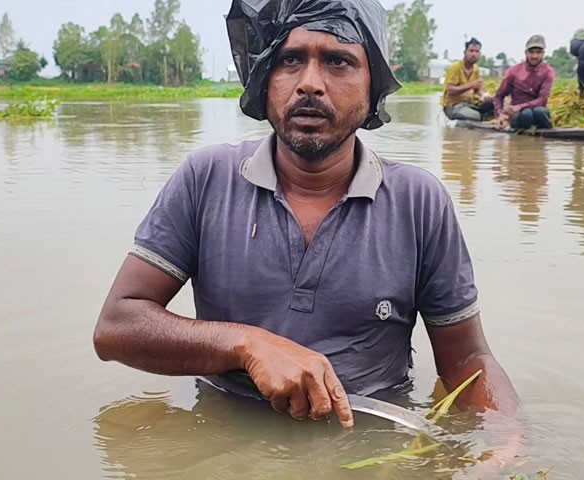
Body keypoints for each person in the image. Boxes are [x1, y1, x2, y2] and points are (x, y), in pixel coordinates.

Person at [94, 0, 518, 431]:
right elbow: (116, 326)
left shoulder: (419, 201)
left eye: (338, 61)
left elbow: (467, 359)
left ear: (373, 85)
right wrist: (245, 345)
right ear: (264, 79)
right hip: (225, 433)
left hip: (370, 438)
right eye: (290, 59)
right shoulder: (205, 179)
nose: (310, 84)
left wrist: (507, 442)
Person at [494, 35, 556, 130]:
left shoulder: (548, 72)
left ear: (543, 54)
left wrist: (519, 106)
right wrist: (500, 114)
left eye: (538, 52)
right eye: (531, 52)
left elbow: (543, 99)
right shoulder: (513, 71)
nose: (534, 56)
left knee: (539, 112)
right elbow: (499, 96)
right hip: (518, 115)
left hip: (538, 112)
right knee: (527, 114)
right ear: (526, 53)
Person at [442, 38, 495, 121]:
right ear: (465, 52)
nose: (474, 54)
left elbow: (478, 91)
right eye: (471, 51)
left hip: (469, 104)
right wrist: (470, 85)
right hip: (453, 106)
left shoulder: (476, 69)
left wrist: (484, 96)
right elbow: (450, 90)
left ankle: (483, 119)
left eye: (477, 51)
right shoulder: (455, 67)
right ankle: (478, 120)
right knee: (475, 116)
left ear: (479, 54)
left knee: (495, 104)